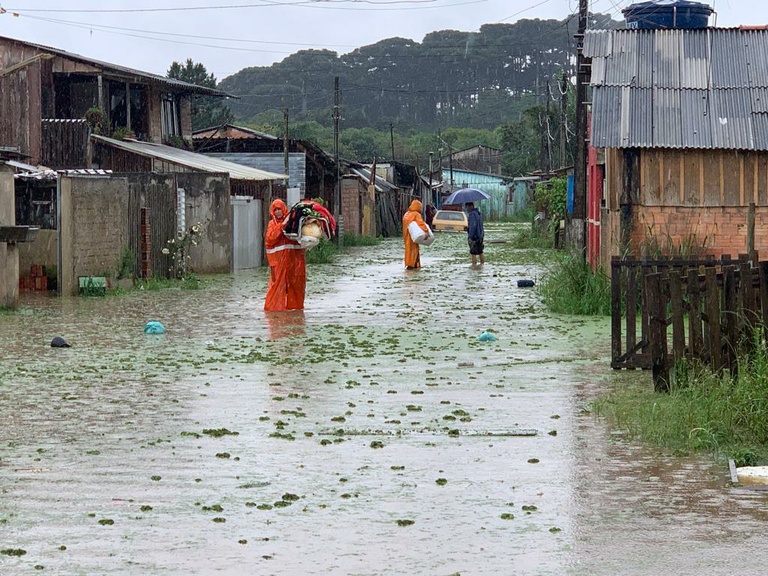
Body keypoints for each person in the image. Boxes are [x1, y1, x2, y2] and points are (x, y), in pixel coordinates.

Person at [264, 199, 307, 311]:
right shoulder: (272, 224)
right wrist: (282, 225)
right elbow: (270, 237)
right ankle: (274, 310)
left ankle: (295, 309)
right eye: (276, 210)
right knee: (277, 287)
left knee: (296, 286)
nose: (278, 212)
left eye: (279, 209)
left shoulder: (292, 222)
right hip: (278, 264)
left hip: (294, 263)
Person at [402, 199, 430, 270]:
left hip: (407, 236)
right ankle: (413, 265)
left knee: (408, 250)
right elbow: (420, 223)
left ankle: (409, 264)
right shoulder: (416, 214)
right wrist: (426, 231)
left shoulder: (406, 214)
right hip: (414, 236)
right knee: (414, 250)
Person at [466, 201, 485, 266]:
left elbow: (472, 226)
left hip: (474, 236)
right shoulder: (478, 213)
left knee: (473, 253)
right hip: (480, 236)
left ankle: (474, 267)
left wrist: (470, 237)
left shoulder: (472, 214)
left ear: (470, 206)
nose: (467, 209)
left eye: (467, 207)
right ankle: (482, 266)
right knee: (480, 251)